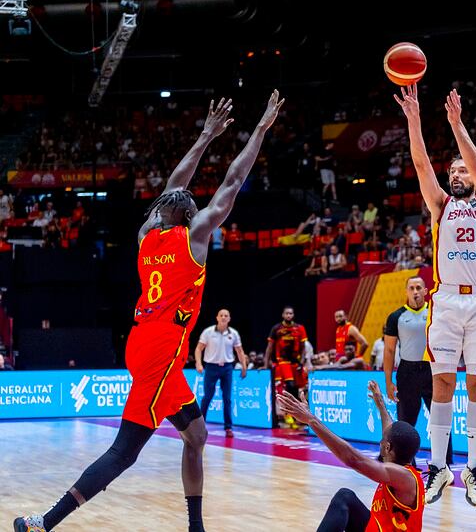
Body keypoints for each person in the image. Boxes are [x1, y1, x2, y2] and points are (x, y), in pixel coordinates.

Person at [14, 92, 284, 532]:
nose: (165, 198)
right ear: (188, 215)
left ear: (163, 213)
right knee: (125, 451)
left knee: (196, 436)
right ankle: (45, 521)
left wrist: (204, 137)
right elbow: (231, 183)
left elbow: (172, 188)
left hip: (148, 344)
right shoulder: (193, 238)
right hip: (160, 350)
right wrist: (259, 129)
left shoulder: (146, 235)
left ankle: (195, 526)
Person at [395, 84, 476, 508]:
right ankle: (439, 467)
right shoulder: (440, 205)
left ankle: (474, 469)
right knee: (442, 382)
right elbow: (421, 163)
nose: (458, 176)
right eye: (453, 171)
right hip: (446, 302)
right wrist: (415, 119)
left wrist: (457, 125)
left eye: (463, 172)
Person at [278, 382, 424, 532]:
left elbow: (353, 459)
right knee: (346, 498)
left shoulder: (405, 478)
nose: (380, 441)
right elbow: (389, 431)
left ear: (387, 447)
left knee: (343, 497)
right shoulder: (404, 460)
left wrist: (311, 420)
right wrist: (379, 402)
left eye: (383, 440)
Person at [383, 276, 453, 466]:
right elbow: (389, 351)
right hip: (407, 372)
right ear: (406, 292)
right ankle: (406, 463)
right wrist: (388, 381)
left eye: (418, 288)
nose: (415, 291)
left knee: (440, 417)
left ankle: (443, 464)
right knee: (405, 422)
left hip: (432, 370)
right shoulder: (396, 317)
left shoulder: (435, 313)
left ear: (425, 291)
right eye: (411, 288)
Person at [194, 308, 248, 438]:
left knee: (227, 398)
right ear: (217, 318)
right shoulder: (208, 332)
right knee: (207, 397)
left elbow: (239, 351)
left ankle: (228, 428)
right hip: (211, 367)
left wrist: (244, 366)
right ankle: (200, 426)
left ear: (229, 318)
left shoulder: (233, 333)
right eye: (221, 315)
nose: (223, 317)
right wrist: (198, 363)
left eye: (226, 316)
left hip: (227, 368)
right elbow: (198, 348)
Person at [266, 306, 308, 429]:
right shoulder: (276, 328)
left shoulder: (300, 328)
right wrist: (266, 363)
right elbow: (270, 347)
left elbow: (304, 347)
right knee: (289, 385)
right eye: (287, 313)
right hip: (282, 362)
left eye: (291, 313)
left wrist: (302, 361)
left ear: (293, 315)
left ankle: (296, 415)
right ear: (283, 315)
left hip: (296, 363)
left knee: (296, 388)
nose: (289, 315)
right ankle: (288, 414)